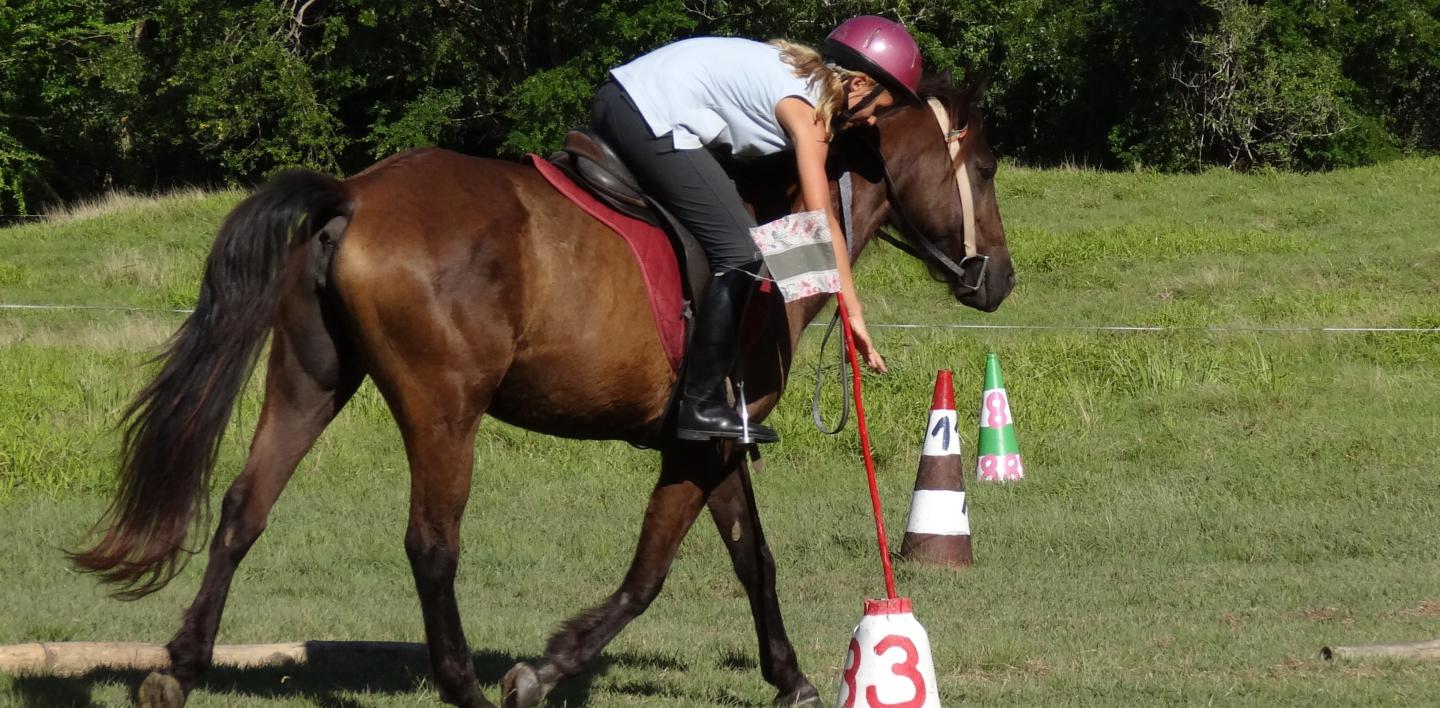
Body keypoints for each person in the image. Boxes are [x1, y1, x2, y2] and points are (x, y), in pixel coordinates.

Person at [590, 16, 922, 443]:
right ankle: (701, 403)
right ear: (858, 84)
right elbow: (817, 224)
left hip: (620, 97)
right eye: (879, 108)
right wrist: (852, 313)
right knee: (739, 250)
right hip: (647, 115)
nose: (874, 122)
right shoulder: (810, 116)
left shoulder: (795, 70)